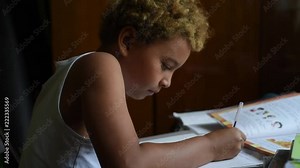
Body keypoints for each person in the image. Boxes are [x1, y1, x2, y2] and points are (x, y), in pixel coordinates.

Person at [19, 0, 247, 167]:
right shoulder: (100, 66)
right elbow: (129, 163)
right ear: (128, 41)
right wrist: (211, 146)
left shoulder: (78, 67)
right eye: (166, 65)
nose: (167, 82)